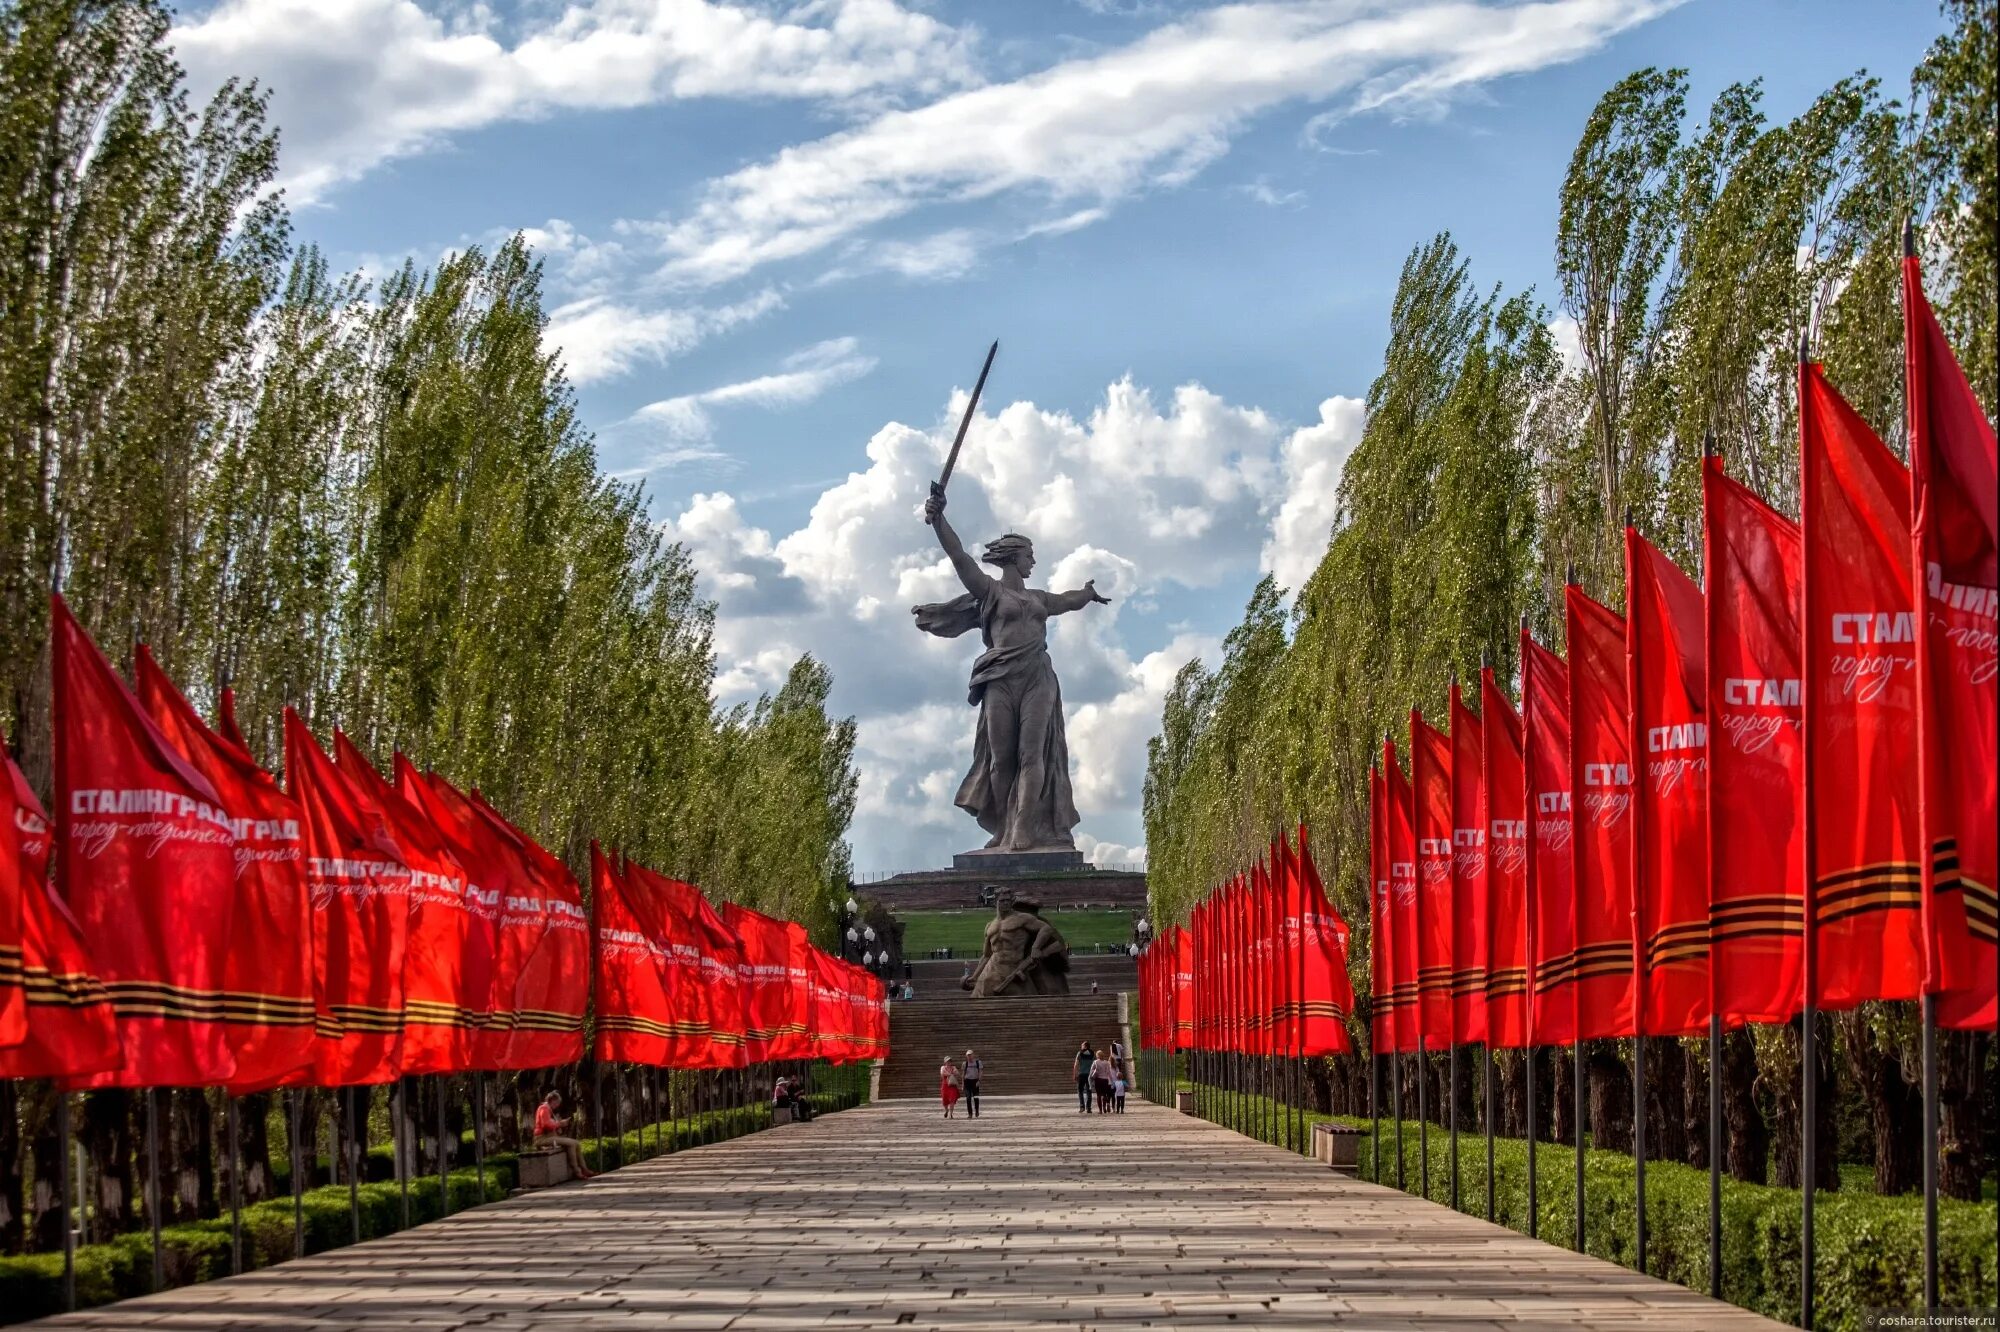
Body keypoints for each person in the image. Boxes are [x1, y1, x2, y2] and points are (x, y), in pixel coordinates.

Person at [532, 1091, 595, 1180]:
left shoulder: (549, 1110)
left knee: (576, 1143)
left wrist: (559, 1124)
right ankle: (577, 1171)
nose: (557, 1105)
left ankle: (584, 1169)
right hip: (542, 1138)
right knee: (572, 1144)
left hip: (550, 1137)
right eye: (556, 1102)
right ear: (552, 1100)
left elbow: (551, 1125)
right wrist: (560, 1124)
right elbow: (545, 1124)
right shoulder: (544, 1108)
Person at [1073, 1040, 1095, 1114]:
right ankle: (1088, 1108)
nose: (1081, 1047)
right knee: (1089, 1091)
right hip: (1089, 1075)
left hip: (1081, 1074)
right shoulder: (1092, 1053)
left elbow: (1076, 1065)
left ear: (1085, 1046)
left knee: (1080, 1090)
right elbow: (1095, 1065)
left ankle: (1082, 1106)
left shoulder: (1080, 1053)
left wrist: (1075, 1074)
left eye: (1082, 1045)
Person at [962, 1049, 984, 1119]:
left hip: (975, 1081)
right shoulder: (965, 1064)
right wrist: (962, 1084)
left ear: (973, 1055)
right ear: (966, 1056)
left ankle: (977, 1111)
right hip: (967, 1081)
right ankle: (970, 1113)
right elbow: (963, 1074)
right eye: (968, 1055)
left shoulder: (978, 1062)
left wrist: (979, 1081)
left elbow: (980, 1072)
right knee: (968, 1098)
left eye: (970, 1055)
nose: (969, 1057)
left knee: (976, 1098)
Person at [939, 1055, 962, 1119]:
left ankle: (951, 1114)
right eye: (947, 1061)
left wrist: (953, 1073)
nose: (949, 1062)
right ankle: (946, 1110)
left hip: (952, 1086)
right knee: (945, 1100)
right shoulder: (943, 1067)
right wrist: (951, 1074)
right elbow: (942, 1073)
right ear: (945, 1062)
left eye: (950, 1061)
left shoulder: (953, 1067)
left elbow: (957, 1073)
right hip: (945, 1085)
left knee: (952, 1099)